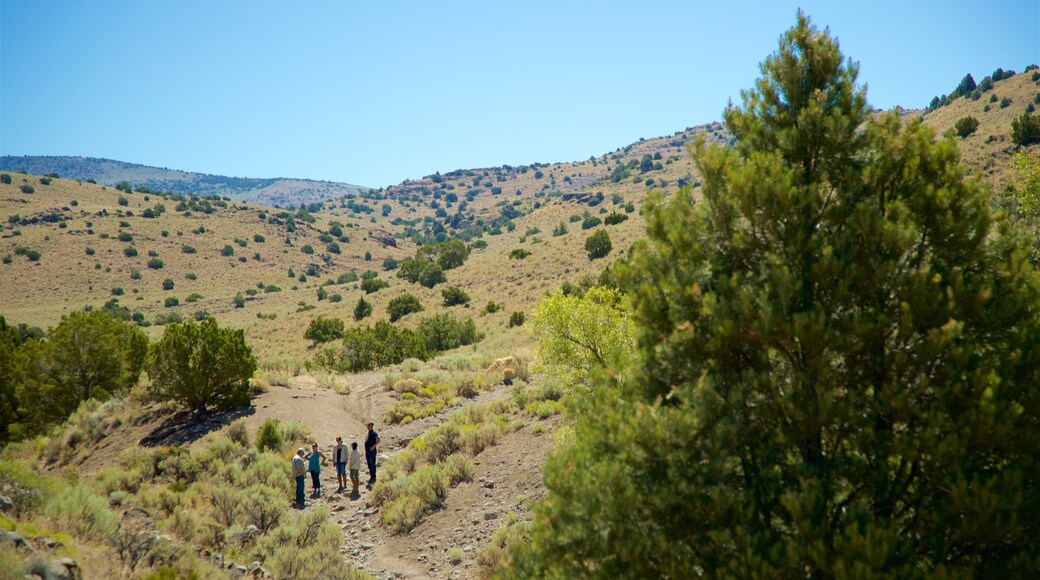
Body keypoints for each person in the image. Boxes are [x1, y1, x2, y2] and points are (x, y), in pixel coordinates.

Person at [364, 422, 381, 487]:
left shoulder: (374, 433)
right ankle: (372, 476)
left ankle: (373, 477)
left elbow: (378, 440)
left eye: (369, 425)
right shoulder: (369, 433)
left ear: (371, 426)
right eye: (367, 425)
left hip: (371, 451)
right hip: (367, 451)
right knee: (369, 464)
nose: (367, 426)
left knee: (372, 463)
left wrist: (373, 447)